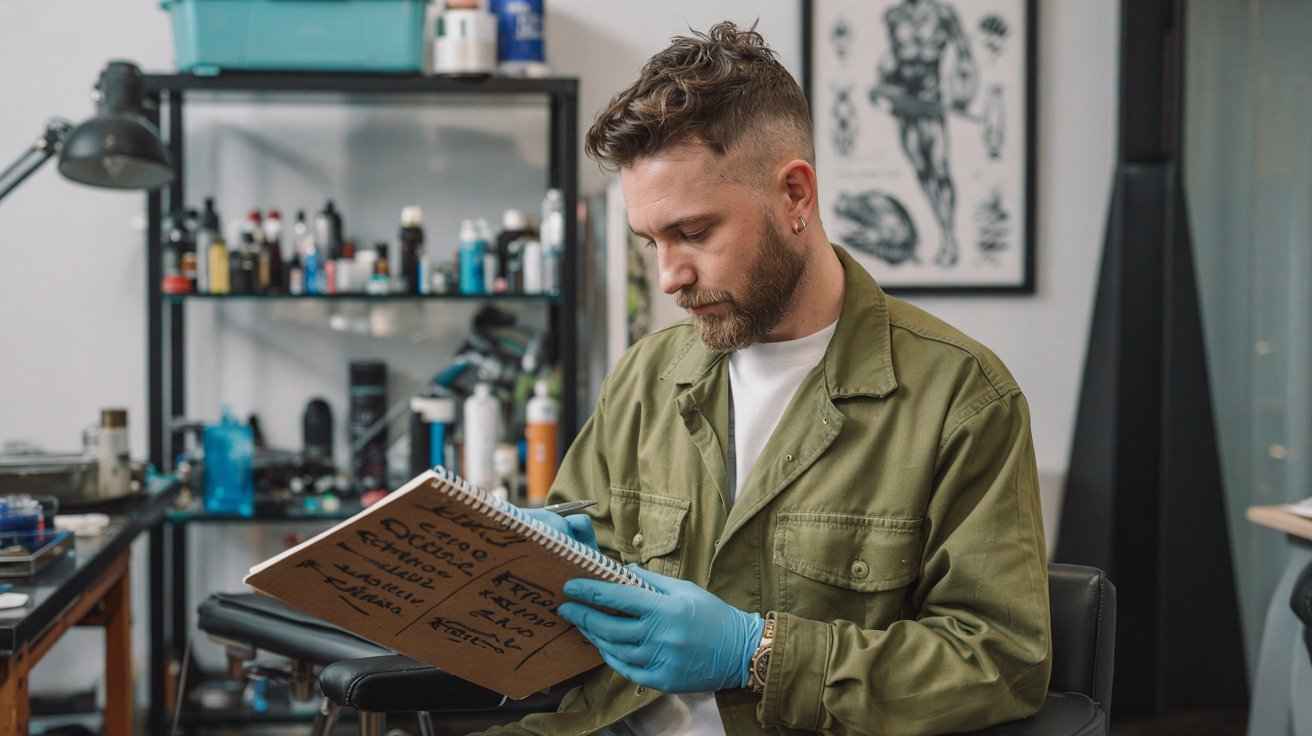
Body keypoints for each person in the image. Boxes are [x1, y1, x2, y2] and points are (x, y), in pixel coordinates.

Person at [484, 20, 1049, 735]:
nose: (669, 278)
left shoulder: (960, 399)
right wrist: (514, 566)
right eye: (651, 242)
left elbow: (1001, 664)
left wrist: (759, 655)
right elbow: (568, 593)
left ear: (795, 195)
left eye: (693, 233)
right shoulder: (647, 376)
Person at [870, 0, 978, 268]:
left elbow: (965, 56)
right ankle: (944, 230)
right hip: (905, 105)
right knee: (921, 170)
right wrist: (882, 87)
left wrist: (964, 93)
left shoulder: (943, 14)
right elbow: (890, 58)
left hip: (932, 104)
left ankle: (948, 236)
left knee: (939, 170)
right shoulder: (894, 16)